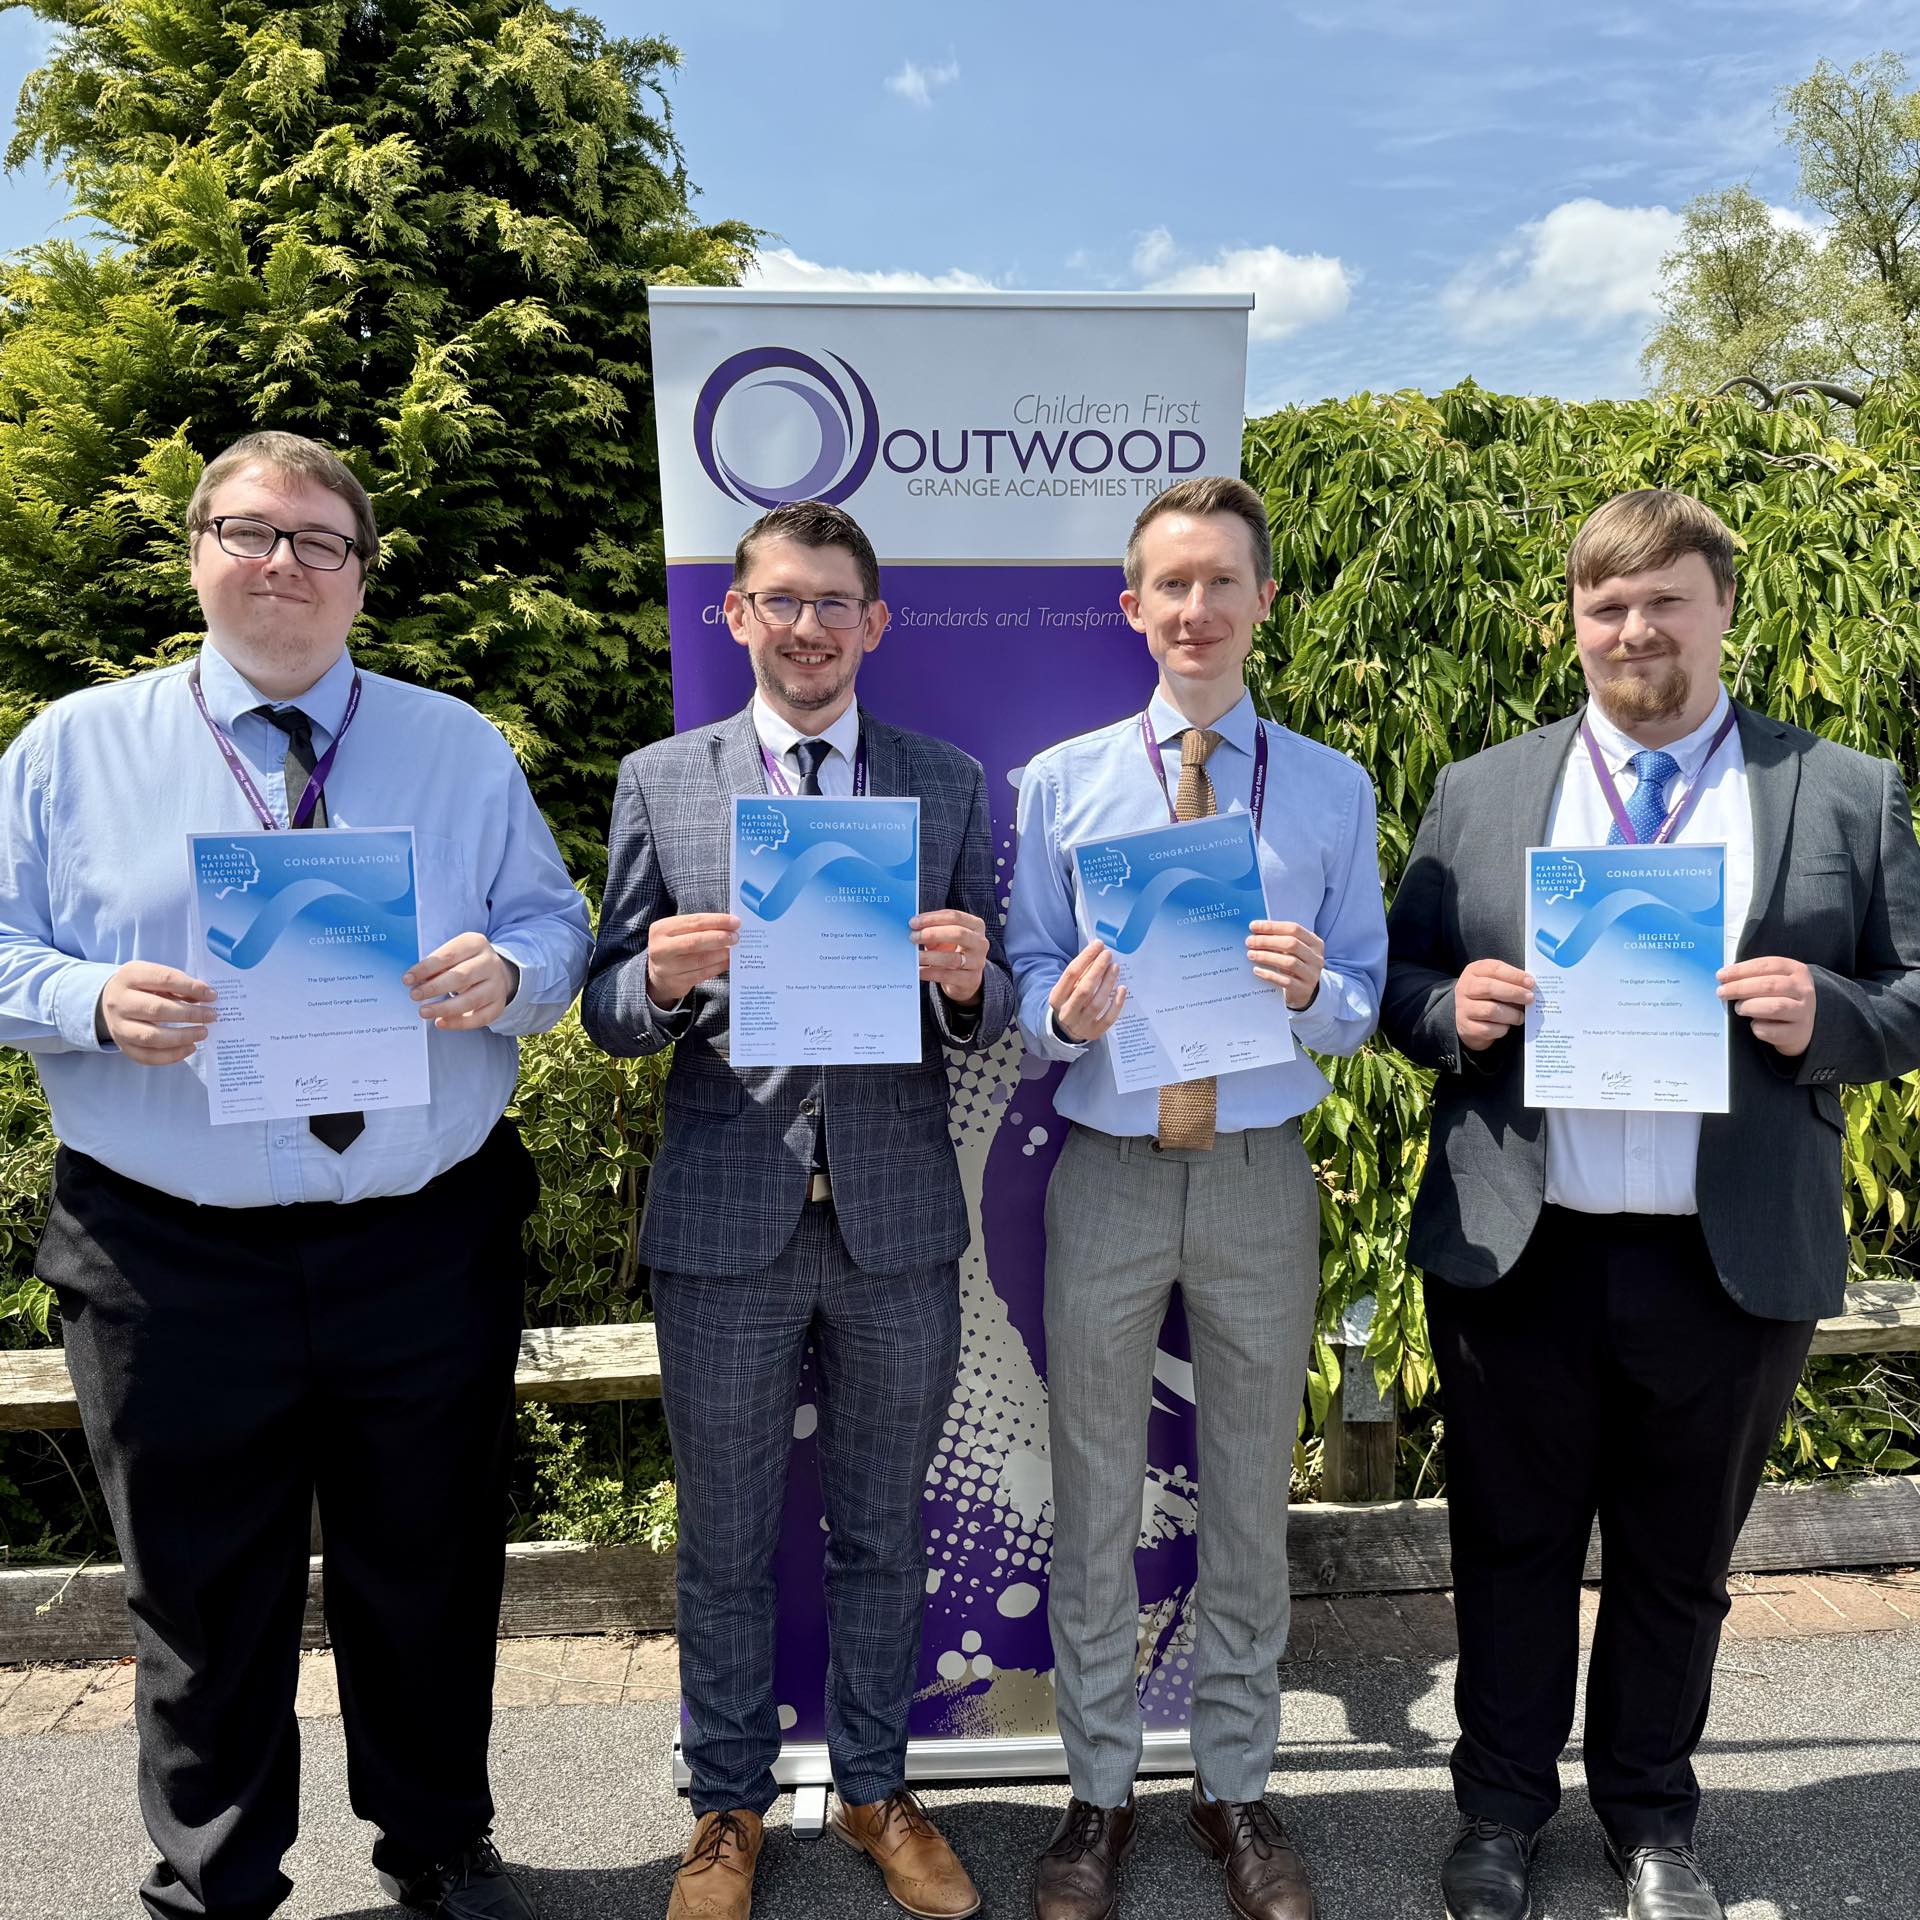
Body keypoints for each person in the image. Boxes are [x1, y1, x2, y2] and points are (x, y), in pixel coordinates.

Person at [0, 431, 592, 1919]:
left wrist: (510, 971)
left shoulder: (455, 744)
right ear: (196, 551)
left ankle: (438, 1847)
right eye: (248, 531)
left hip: (423, 1236)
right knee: (198, 1592)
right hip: (166, 1249)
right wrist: (82, 1003)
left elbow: (559, 931)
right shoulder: (70, 749)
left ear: (360, 578)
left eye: (319, 541)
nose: (282, 564)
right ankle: (216, 1878)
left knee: (434, 1569)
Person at [1380, 488, 1920, 1920]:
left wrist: (1833, 1015)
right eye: (1605, 606)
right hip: (1524, 1240)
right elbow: (1397, 982)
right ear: (1576, 621)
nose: (1633, 631)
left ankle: (1652, 1821)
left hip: (1725, 1251)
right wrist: (1454, 1011)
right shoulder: (1482, 789)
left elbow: (1912, 997)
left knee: (1680, 1560)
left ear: (1722, 607)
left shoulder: (1843, 790)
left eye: (1663, 601)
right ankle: (1497, 1815)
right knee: (1509, 1544)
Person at [582, 497, 1013, 1920]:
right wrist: (648, 982)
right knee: (724, 1534)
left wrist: (968, 987)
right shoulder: (662, 780)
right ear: (737, 616)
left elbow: (995, 999)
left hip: (896, 1227)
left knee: (884, 1529)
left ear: (874, 623)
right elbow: (602, 1006)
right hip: (725, 1222)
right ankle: (725, 1809)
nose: (809, 626)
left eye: (836, 603)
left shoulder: (944, 784)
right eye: (782, 600)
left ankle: (879, 1792)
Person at [1005, 474, 1387, 1920]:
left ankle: (1235, 1788)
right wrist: (1068, 1014)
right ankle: (1097, 1796)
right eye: (1171, 583)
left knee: (1246, 1488)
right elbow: (1024, 983)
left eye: (1224, 580)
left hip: (1257, 1175)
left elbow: (1362, 1001)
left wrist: (1318, 991)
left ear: (1264, 600)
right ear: (1132, 608)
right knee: (1095, 1488)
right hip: (1104, 1170)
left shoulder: (1335, 788)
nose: (1198, 608)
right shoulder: (1060, 784)